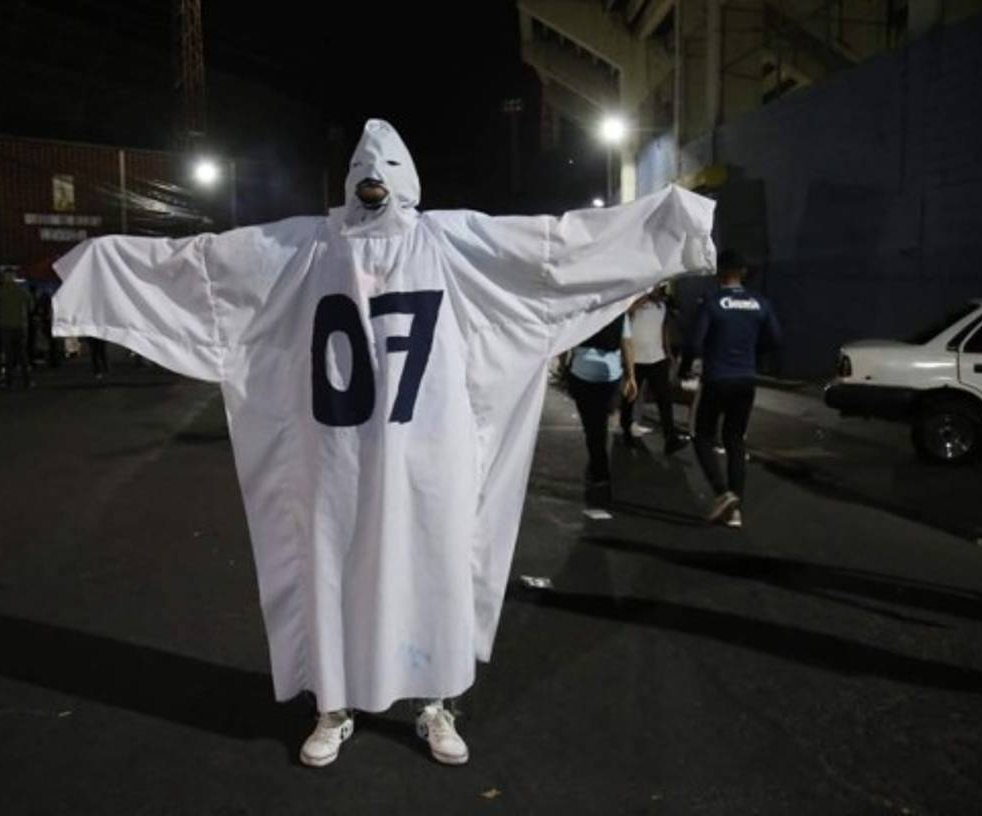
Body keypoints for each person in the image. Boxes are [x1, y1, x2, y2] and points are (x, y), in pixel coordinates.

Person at [51, 119, 715, 767]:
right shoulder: (305, 248)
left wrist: (669, 225)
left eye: (386, 171)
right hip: (331, 454)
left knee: (437, 568)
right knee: (330, 567)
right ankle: (333, 706)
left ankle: (435, 701)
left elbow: (556, 248)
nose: (374, 182)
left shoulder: (451, 242)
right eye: (363, 173)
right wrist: (103, 266)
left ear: (410, 180)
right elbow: (202, 270)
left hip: (430, 453)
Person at [690, 249, 782, 528]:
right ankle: (736, 509)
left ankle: (722, 493)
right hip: (745, 379)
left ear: (720, 272)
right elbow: (776, 339)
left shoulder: (713, 301)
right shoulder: (760, 303)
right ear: (743, 272)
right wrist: (751, 354)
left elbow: (695, 342)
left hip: (717, 377)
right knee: (735, 440)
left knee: (702, 434)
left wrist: (684, 369)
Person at [565, 313, 637, 506]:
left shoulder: (583, 309)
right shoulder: (620, 311)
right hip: (610, 374)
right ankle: (597, 468)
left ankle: (600, 476)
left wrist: (565, 365)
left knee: (593, 428)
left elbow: (566, 340)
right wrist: (631, 376)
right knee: (599, 423)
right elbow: (627, 343)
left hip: (582, 370)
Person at [620, 288, 689, 454]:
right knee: (630, 397)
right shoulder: (633, 302)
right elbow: (626, 315)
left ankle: (670, 437)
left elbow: (663, 330)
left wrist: (668, 352)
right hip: (635, 359)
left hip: (657, 358)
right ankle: (626, 430)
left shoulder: (662, 306)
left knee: (664, 398)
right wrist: (641, 300)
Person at [0, 270, 34, 389]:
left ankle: (9, 381)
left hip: (5, 326)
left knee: (8, 354)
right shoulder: (22, 291)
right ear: (14, 278)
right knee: (22, 354)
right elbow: (31, 306)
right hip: (21, 325)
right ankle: (27, 380)